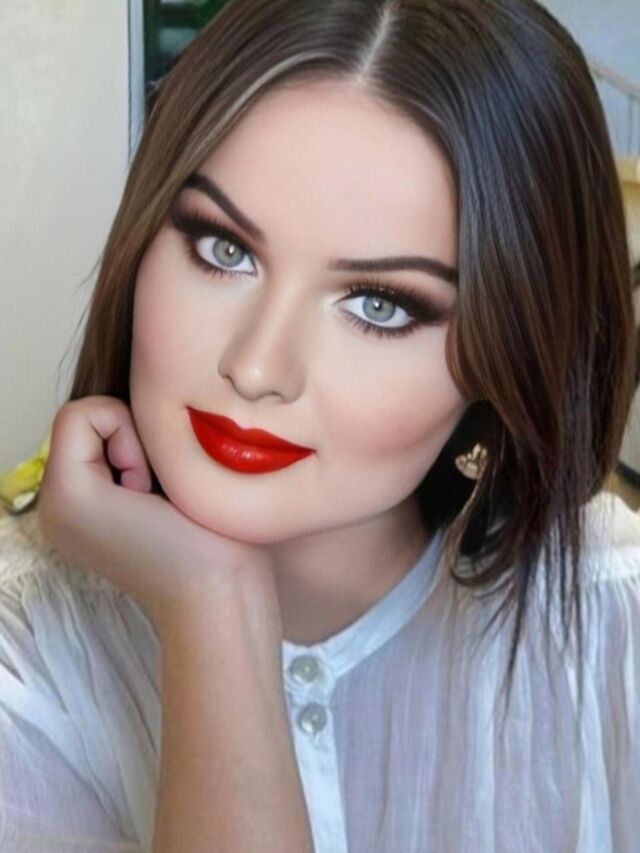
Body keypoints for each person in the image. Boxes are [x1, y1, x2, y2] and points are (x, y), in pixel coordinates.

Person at [1, 0, 639, 850]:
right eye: (224, 249)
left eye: (378, 305)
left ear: (509, 350)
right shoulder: (24, 652)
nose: (257, 367)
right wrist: (214, 606)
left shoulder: (613, 622)